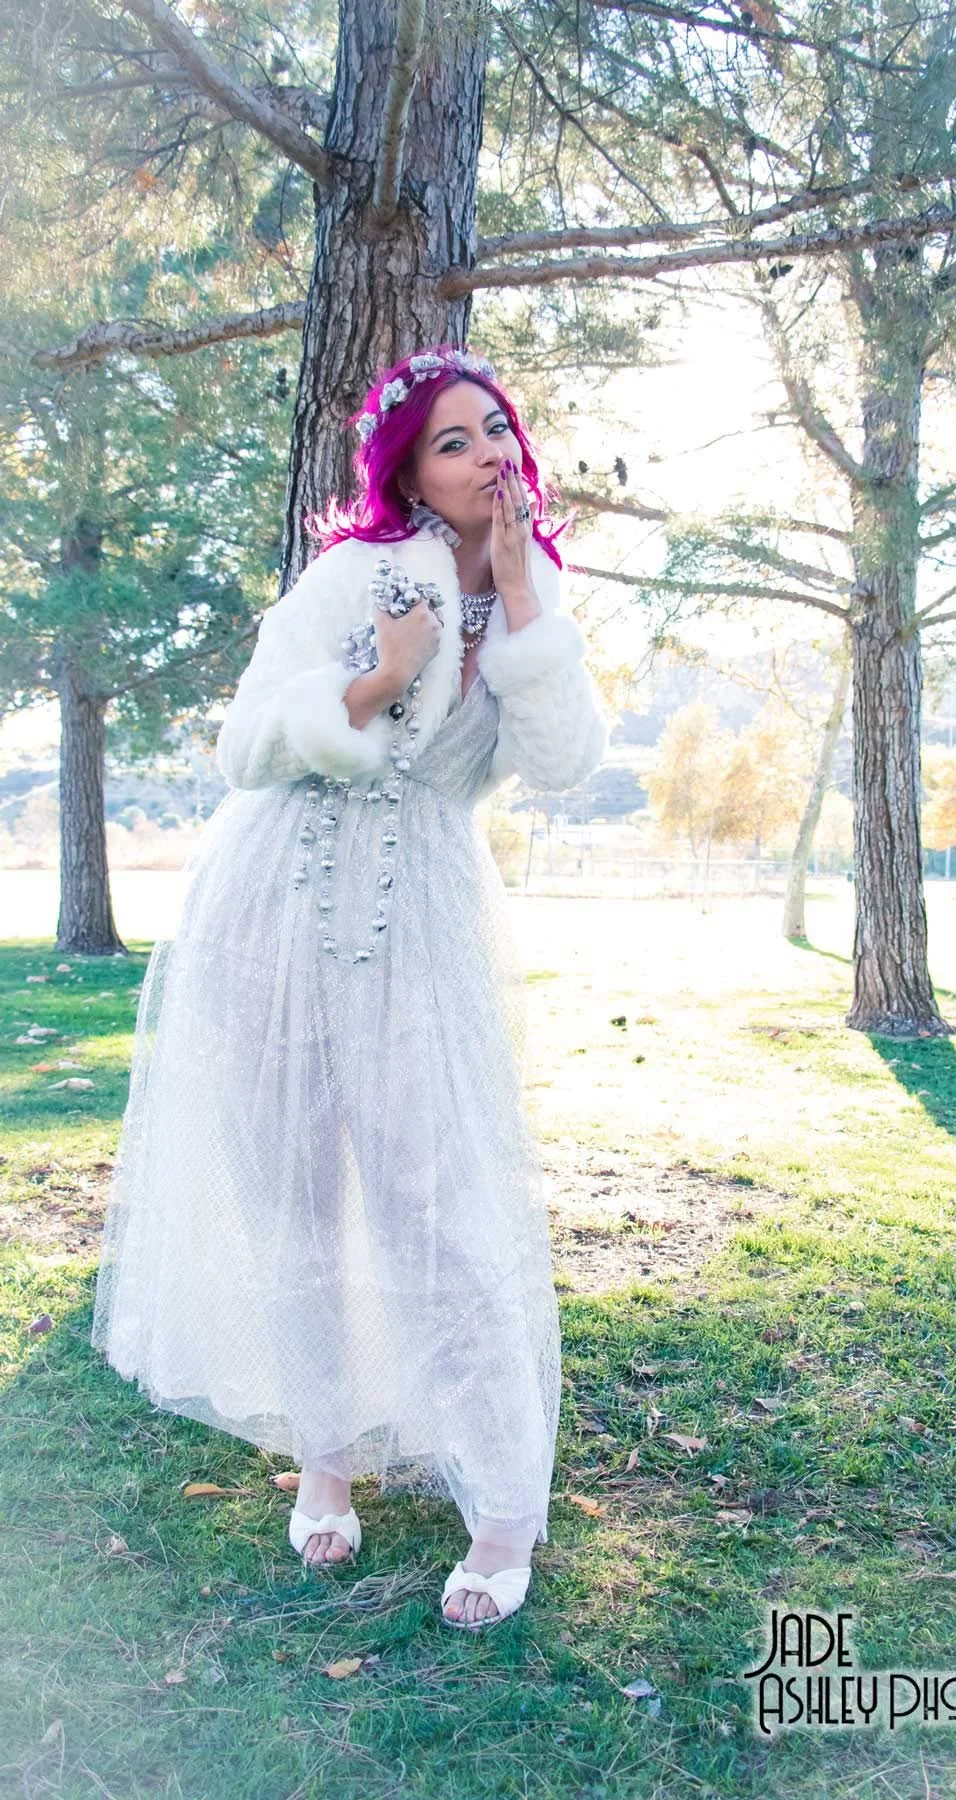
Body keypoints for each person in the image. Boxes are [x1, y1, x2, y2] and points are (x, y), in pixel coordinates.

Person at [89, 345, 609, 1630]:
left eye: (496, 430)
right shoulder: (355, 577)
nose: (486, 452)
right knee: (291, 1192)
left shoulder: (535, 603)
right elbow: (246, 742)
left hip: (420, 919)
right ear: (409, 475)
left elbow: (564, 765)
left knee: (438, 1205)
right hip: (272, 902)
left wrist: (524, 607)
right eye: (451, 440)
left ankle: (503, 1506)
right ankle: (325, 1454)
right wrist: (376, 676)